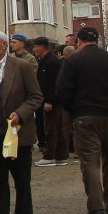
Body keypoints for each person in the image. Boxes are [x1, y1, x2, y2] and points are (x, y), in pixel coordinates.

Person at [55, 26, 108, 214]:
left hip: (85, 117)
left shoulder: (73, 61)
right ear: (97, 40)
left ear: (78, 42)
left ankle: (96, 208)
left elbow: (62, 91)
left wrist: (75, 111)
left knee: (90, 162)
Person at [0, 31, 43, 214]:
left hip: (18, 135)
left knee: (22, 183)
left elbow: (36, 97)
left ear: (4, 45)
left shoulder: (22, 66)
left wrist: (20, 114)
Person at [31, 37, 69, 166]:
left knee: (51, 128)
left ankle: (49, 156)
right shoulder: (45, 61)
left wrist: (49, 100)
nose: (34, 49)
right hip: (49, 100)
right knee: (55, 127)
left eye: (35, 46)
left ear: (42, 47)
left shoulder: (51, 62)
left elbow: (54, 83)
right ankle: (61, 156)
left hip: (51, 102)